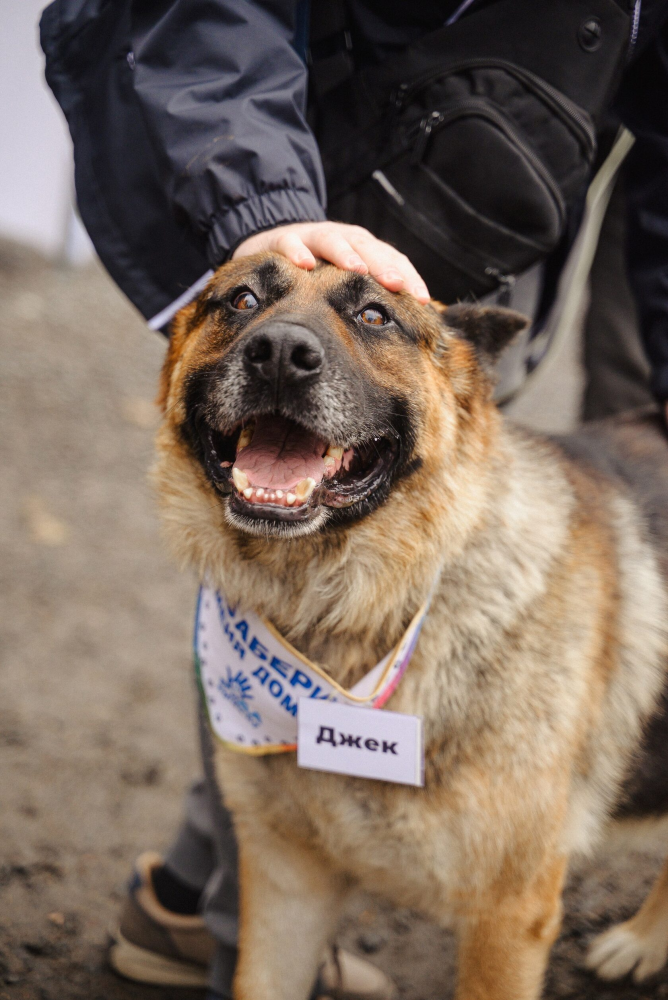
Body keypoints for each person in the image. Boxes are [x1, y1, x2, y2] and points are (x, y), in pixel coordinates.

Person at [40, 2, 668, 998]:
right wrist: (255, 211)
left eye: (357, 317)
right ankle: (190, 912)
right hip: (273, 140)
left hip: (489, 192)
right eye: (245, 306)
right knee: (284, 831)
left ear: (466, 395)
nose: (284, 341)